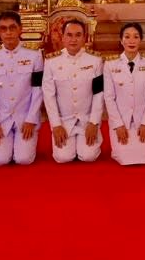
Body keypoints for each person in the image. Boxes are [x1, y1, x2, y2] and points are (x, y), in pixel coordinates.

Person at [0, 11, 44, 166]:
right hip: (2, 118)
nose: (8, 32)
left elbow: (38, 90)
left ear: (20, 29)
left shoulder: (34, 54)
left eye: (12, 27)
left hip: (25, 117)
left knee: (24, 159)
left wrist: (31, 119)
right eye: (3, 28)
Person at [42, 19, 105, 163]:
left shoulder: (95, 61)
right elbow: (49, 96)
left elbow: (99, 93)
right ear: (63, 37)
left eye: (78, 35)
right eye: (69, 35)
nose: (73, 39)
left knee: (88, 156)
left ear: (84, 37)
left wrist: (94, 122)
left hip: (86, 120)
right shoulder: (51, 62)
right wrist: (56, 125)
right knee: (63, 157)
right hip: (64, 121)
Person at [103, 22, 145, 165]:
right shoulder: (110, 65)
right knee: (123, 158)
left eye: (136, 37)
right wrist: (118, 124)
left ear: (141, 39)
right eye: (127, 37)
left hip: (143, 120)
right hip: (121, 120)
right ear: (121, 40)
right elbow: (109, 98)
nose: (131, 41)